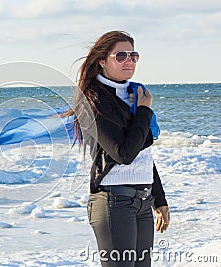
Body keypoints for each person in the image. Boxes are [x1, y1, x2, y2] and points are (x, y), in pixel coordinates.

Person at [66, 30, 170, 266]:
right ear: (102, 61)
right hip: (114, 201)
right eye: (120, 55)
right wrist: (144, 112)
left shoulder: (136, 95)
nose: (129, 61)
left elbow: (143, 154)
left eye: (133, 56)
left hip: (142, 200)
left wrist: (159, 199)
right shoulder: (93, 101)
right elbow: (123, 154)